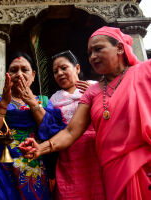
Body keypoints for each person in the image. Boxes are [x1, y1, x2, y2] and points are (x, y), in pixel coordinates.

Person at [19, 26, 151, 200]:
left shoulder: (145, 72)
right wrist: (40, 148)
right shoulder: (93, 92)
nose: (93, 57)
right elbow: (71, 132)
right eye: (89, 53)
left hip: (145, 167)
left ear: (119, 48)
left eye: (98, 49)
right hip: (112, 170)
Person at [0, 52, 66, 200]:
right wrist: (3, 103)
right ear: (7, 75)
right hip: (2, 166)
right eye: (14, 70)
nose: (19, 74)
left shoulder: (44, 101)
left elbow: (52, 131)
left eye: (24, 70)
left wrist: (32, 103)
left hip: (34, 167)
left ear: (33, 75)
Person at [50, 50, 104, 199]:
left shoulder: (96, 87)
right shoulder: (54, 100)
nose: (59, 73)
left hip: (96, 152)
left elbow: (111, 114)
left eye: (64, 68)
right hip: (69, 156)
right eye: (55, 71)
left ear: (77, 68)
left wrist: (98, 97)